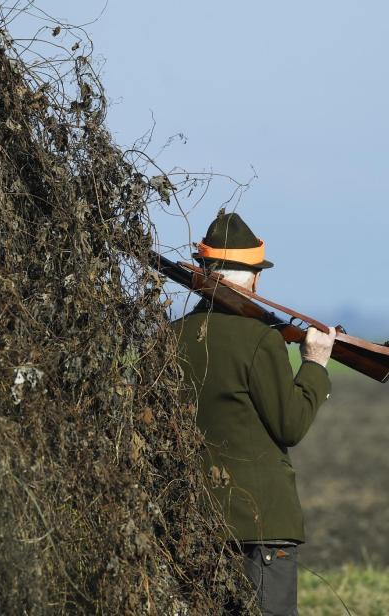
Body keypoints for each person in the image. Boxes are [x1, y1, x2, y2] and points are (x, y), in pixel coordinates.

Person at [172, 212, 336, 616]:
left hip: (192, 521)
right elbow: (291, 424)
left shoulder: (168, 337)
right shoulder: (261, 339)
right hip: (261, 528)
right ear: (256, 277)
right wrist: (314, 364)